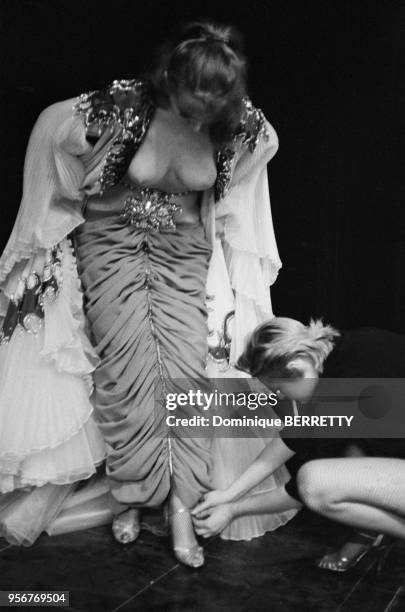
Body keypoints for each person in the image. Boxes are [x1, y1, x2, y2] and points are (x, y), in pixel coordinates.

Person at [0, 21, 293, 561]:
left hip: (184, 256)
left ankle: (180, 507)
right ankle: (131, 494)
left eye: (213, 103)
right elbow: (50, 130)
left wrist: (222, 209)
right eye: (190, 102)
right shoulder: (117, 108)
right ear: (167, 80)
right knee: (126, 373)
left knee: (186, 375)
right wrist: (66, 198)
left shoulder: (240, 123)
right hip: (111, 248)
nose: (201, 115)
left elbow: (264, 148)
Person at [192, 317, 405, 569]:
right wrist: (229, 494)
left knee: (314, 481)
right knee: (352, 453)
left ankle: (374, 535)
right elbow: (296, 436)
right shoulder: (347, 350)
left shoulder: (343, 389)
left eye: (278, 388)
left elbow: (300, 492)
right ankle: (370, 535)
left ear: (296, 366)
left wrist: (233, 510)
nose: (279, 396)